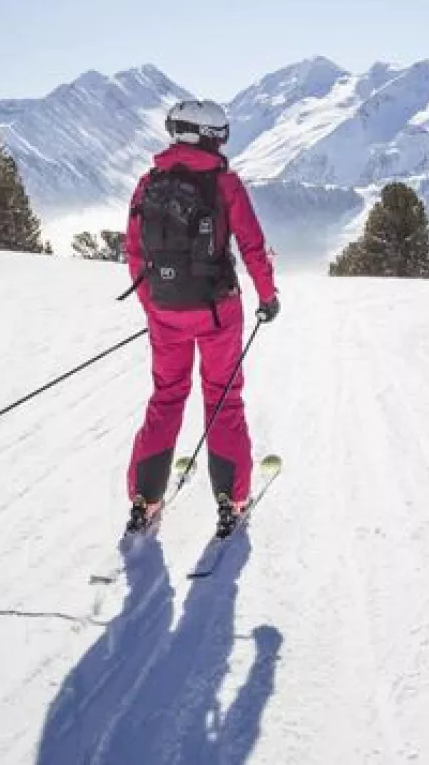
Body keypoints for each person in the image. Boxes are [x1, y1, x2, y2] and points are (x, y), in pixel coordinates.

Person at [124, 98, 279, 538]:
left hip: (165, 311)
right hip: (217, 313)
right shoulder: (225, 183)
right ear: (209, 136)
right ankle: (231, 499)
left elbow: (135, 254)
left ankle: (144, 498)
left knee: (167, 397)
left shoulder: (147, 183)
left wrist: (154, 306)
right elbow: (252, 246)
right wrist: (268, 297)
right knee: (223, 399)